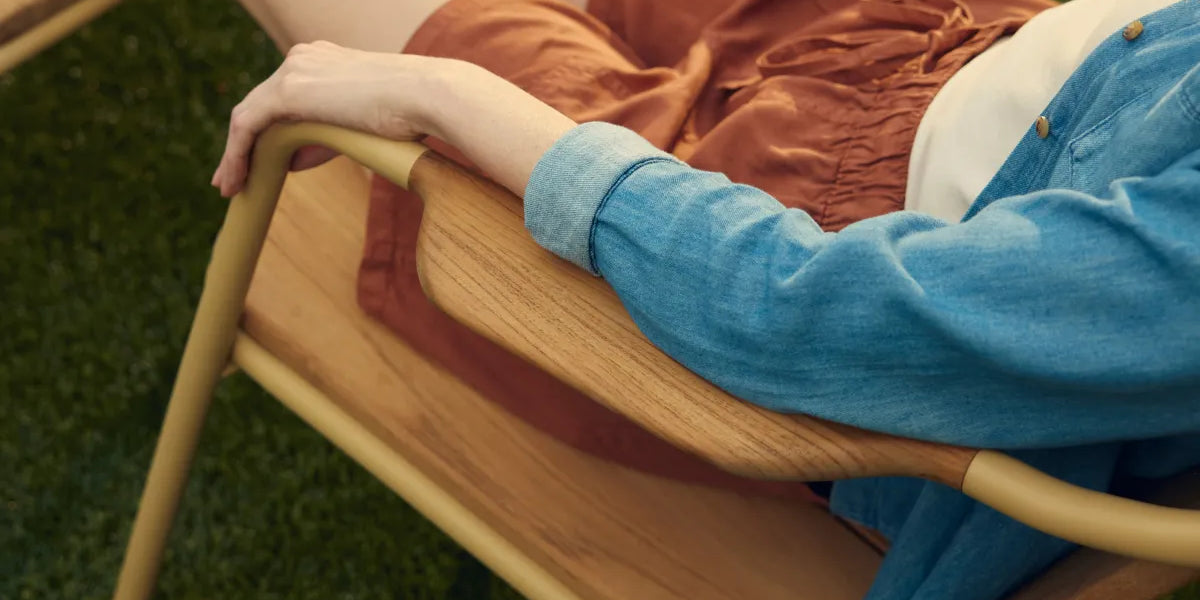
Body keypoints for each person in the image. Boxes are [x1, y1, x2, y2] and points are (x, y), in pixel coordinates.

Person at [210, 0, 1200, 598]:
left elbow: (795, 312)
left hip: (782, 216)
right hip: (979, 51)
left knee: (434, 33)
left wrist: (447, 96)